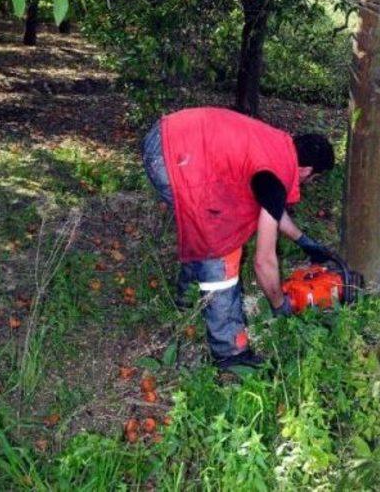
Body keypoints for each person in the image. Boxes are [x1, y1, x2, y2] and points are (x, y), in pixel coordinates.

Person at [141, 106, 335, 369]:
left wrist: (305, 242)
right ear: (306, 170)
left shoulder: (278, 146)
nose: (308, 183)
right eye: (314, 178)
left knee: (205, 223)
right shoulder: (276, 176)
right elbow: (263, 261)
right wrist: (280, 305)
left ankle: (186, 298)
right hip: (174, 156)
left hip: (170, 135)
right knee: (221, 245)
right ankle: (229, 352)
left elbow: (272, 209)